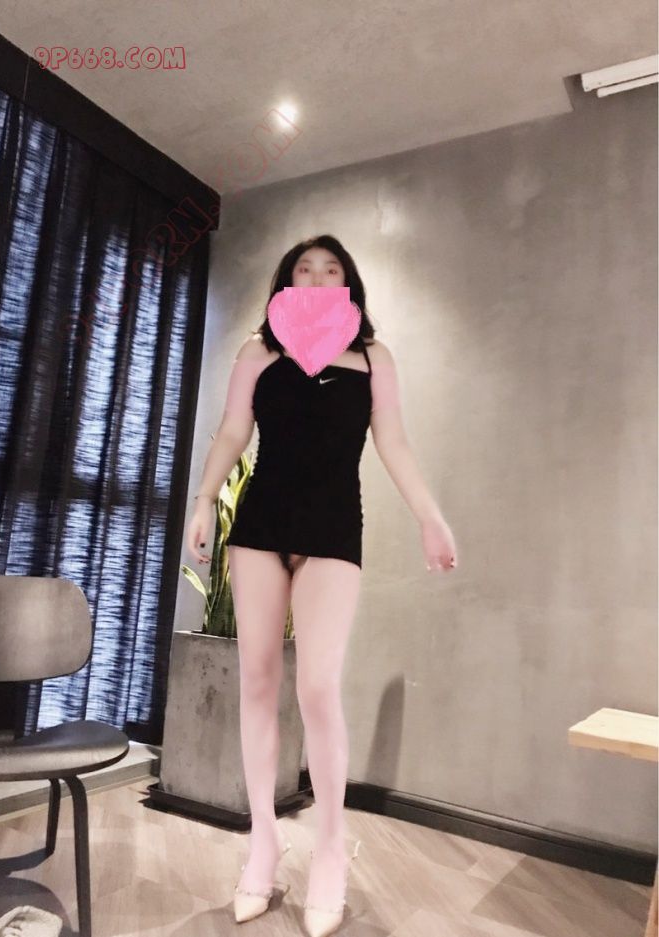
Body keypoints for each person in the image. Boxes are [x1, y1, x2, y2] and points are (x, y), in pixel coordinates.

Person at [186, 234, 457, 936]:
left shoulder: (372, 357)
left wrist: (431, 517)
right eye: (304, 268)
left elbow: (393, 441)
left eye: (330, 269)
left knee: (316, 687)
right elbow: (231, 430)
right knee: (256, 680)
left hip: (334, 528)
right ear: (287, 281)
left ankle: (331, 847)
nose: (316, 276)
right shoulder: (258, 351)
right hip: (260, 524)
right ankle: (264, 841)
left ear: (348, 285)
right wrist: (204, 500)